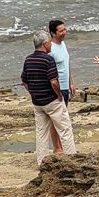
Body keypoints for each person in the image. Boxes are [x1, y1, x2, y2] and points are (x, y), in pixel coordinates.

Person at [21, 30, 76, 165]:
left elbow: (24, 80)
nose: (51, 45)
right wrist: (58, 95)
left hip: (37, 101)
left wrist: (32, 92)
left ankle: (42, 162)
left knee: (41, 132)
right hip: (51, 100)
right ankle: (73, 159)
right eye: (49, 43)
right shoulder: (48, 59)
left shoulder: (28, 59)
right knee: (65, 129)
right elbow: (53, 81)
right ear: (45, 44)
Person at [47, 19, 74, 153]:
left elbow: (66, 64)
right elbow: (48, 70)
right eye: (61, 31)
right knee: (56, 119)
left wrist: (71, 82)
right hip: (56, 88)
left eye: (65, 29)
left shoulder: (63, 44)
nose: (64, 32)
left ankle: (61, 145)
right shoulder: (50, 48)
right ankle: (56, 147)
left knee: (63, 117)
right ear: (53, 33)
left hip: (65, 87)